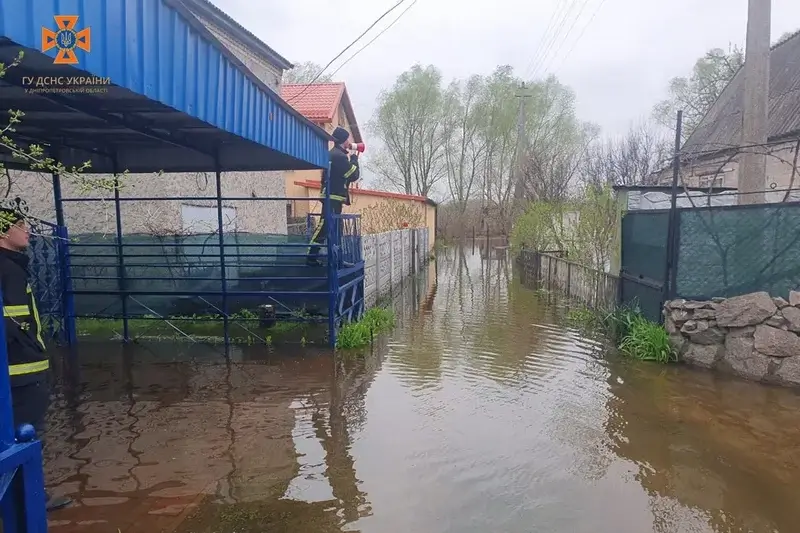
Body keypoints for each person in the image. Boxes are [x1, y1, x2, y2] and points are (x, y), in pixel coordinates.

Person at [0, 198, 71, 511]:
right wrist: (36, 353)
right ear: (3, 232)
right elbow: (14, 325)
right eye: (19, 225)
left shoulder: (11, 266)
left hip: (18, 372)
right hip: (23, 374)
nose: (27, 230)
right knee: (23, 436)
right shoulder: (9, 270)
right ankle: (29, 502)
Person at [307, 126, 361, 266]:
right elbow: (353, 175)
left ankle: (337, 259)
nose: (349, 142)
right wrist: (354, 158)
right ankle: (311, 256)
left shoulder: (335, 154)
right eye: (347, 139)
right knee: (325, 226)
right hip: (333, 197)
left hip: (333, 196)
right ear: (343, 140)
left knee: (336, 229)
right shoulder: (339, 156)